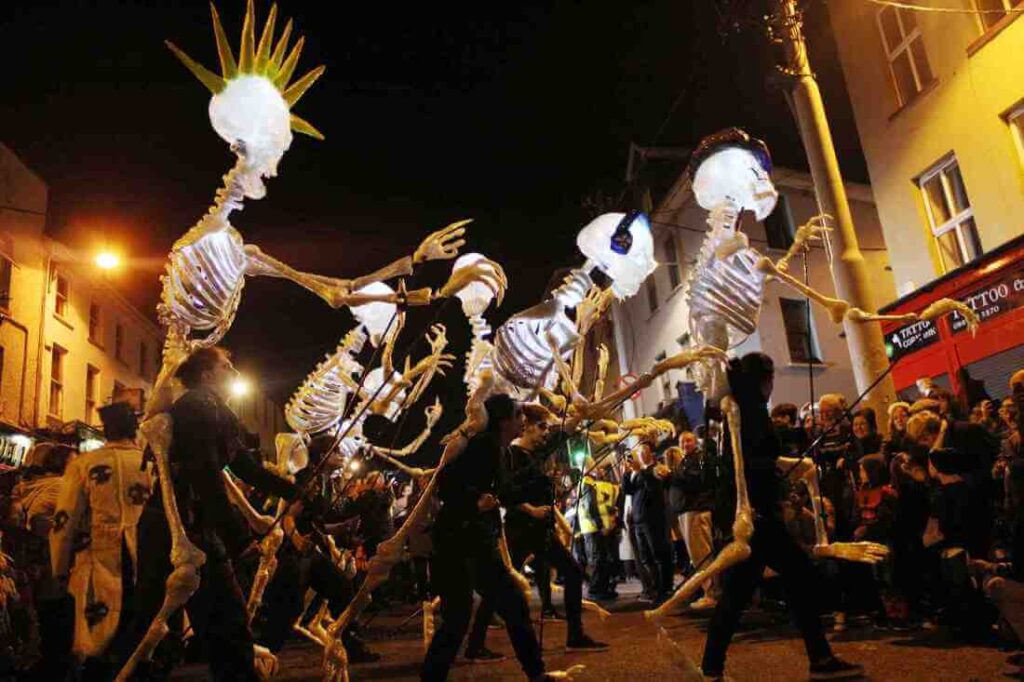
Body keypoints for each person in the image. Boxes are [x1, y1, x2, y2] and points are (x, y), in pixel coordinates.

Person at [132, 347, 304, 681]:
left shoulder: (214, 410)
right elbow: (206, 473)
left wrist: (294, 491)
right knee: (224, 621)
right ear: (207, 375)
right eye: (227, 366)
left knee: (162, 621)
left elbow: (245, 467)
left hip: (185, 526)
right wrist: (238, 537)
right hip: (182, 528)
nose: (235, 373)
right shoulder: (199, 407)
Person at [701, 353, 862, 681]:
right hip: (757, 516)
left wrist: (780, 466)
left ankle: (712, 667)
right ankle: (819, 659)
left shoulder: (738, 407)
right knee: (795, 578)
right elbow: (749, 463)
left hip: (750, 514)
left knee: (739, 593)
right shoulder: (752, 412)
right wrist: (783, 466)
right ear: (766, 378)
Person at [464, 403, 607, 663]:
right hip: (521, 529)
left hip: (540, 530)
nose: (545, 432)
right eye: (540, 426)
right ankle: (475, 645)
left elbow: (559, 437)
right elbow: (505, 493)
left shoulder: (535, 454)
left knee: (571, 572)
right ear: (526, 426)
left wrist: (579, 417)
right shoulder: (512, 454)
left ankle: (575, 635)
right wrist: (531, 509)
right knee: (501, 586)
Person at [421, 394, 550, 682]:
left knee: (503, 607)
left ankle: (536, 673)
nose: (524, 421)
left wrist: (537, 480)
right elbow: (445, 482)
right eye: (519, 415)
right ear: (504, 421)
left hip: (475, 540)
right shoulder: (485, 445)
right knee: (460, 616)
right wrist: (475, 501)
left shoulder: (499, 449)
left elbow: (504, 492)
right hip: (459, 541)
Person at [50, 402, 152, 678]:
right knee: (140, 642)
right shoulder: (151, 464)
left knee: (100, 643)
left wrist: (58, 569)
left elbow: (64, 522)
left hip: (100, 562)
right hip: (146, 559)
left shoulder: (85, 464)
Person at [9, 442, 77, 680]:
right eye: (73, 461)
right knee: (58, 634)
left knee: (37, 626)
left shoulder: (24, 487)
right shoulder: (60, 487)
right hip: (53, 569)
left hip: (28, 570)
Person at [669, 431, 718, 609]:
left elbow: (695, 480)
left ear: (695, 441)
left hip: (696, 510)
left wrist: (671, 475)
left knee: (702, 554)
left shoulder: (699, 459)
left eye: (688, 441)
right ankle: (708, 591)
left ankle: (712, 592)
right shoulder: (686, 461)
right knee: (697, 556)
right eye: (682, 442)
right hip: (687, 511)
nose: (685, 445)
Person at [621, 438, 673, 603]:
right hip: (638, 520)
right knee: (646, 558)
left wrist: (641, 472)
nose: (641, 455)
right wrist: (626, 473)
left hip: (653, 519)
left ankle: (665, 589)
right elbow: (628, 490)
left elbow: (654, 490)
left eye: (644, 451)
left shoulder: (655, 469)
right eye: (639, 452)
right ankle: (654, 588)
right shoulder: (638, 472)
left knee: (659, 555)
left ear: (651, 453)